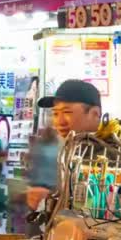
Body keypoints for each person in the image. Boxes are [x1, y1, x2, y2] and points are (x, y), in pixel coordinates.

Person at [27, 80, 103, 211]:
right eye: (56, 113)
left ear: (95, 113)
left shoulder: (117, 154)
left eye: (67, 112)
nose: (59, 121)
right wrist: (47, 197)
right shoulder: (67, 149)